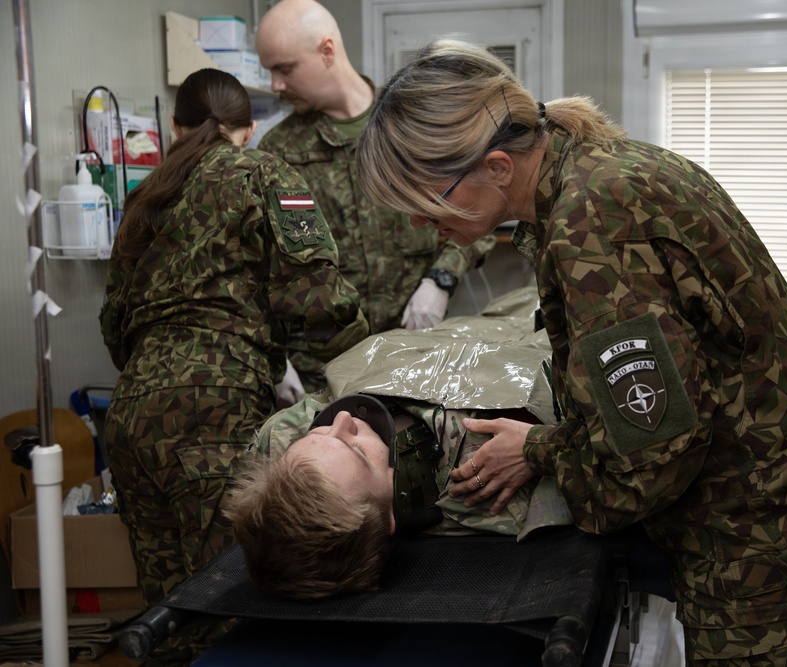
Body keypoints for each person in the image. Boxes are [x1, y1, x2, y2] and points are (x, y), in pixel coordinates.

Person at [354, 39, 787, 666]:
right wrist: (540, 447)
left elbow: (654, 455)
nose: (422, 224)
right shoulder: (600, 166)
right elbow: (658, 403)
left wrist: (563, 483)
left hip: (772, 557)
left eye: (427, 199)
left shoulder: (592, 221)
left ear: (497, 167)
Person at [100, 68, 367, 665]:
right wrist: (367, 373)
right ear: (249, 130)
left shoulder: (144, 199)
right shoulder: (264, 173)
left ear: (175, 127)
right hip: (210, 416)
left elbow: (114, 327)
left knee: (168, 614)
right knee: (232, 604)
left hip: (130, 416)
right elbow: (319, 298)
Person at [226, 287, 573, 598]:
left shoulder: (282, 446)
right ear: (391, 515)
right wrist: (538, 448)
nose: (344, 419)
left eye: (319, 431)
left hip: (467, 328)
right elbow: (611, 456)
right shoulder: (492, 480)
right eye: (357, 450)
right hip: (544, 322)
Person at [254, 0, 497, 396]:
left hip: (415, 350)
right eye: (270, 72)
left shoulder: (412, 123)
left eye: (284, 68)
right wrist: (275, 360)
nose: (276, 86)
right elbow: (260, 266)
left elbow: (478, 208)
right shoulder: (279, 151)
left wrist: (441, 279)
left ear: (327, 51)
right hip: (324, 369)